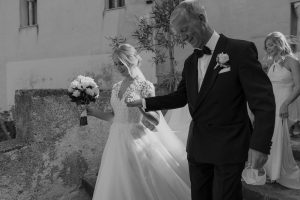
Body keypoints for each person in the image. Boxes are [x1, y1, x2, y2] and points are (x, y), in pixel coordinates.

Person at [127, 1, 276, 199]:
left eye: (185, 29)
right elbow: (181, 97)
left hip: (229, 147)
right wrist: (145, 102)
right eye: (179, 33)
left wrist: (260, 145)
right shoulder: (190, 63)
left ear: (201, 19)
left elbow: (263, 102)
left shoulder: (240, 51)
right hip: (198, 147)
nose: (183, 37)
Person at [88, 43, 191, 200]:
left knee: (140, 185)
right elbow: (116, 117)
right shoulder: (116, 87)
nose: (118, 67)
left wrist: (140, 107)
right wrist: (93, 113)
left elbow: (156, 120)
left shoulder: (145, 85)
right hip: (116, 142)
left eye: (121, 63)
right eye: (116, 63)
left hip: (137, 142)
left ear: (132, 60)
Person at [263, 31, 300, 189]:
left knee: (277, 136)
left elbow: (299, 87)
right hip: (272, 106)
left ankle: (277, 173)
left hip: (284, 104)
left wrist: (285, 104)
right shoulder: (272, 64)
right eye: (267, 46)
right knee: (272, 137)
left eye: (271, 44)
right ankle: (271, 171)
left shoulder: (292, 61)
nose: (268, 48)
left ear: (279, 43)